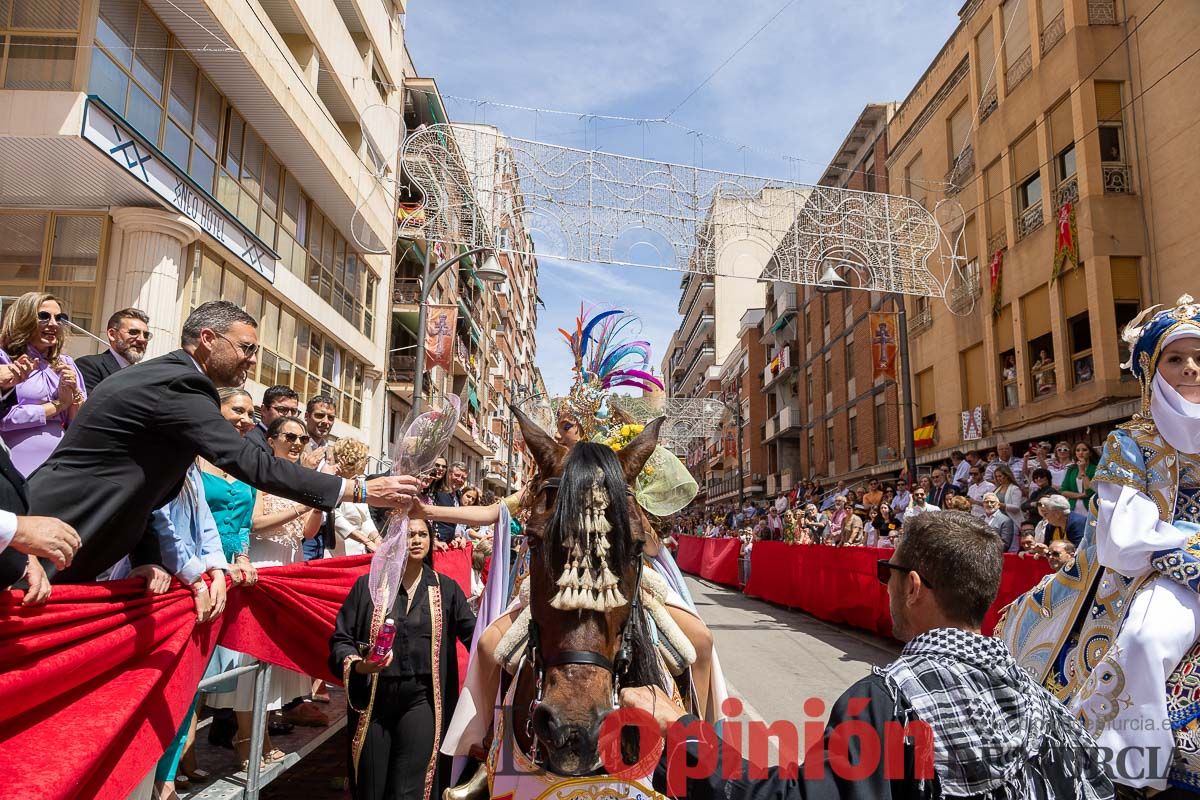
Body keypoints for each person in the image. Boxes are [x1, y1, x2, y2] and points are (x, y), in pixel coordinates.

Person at [620, 511, 1114, 800]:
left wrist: (678, 729)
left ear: (913, 587)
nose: (887, 585)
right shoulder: (1044, 704)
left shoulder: (891, 702)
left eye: (888, 572)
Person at [23, 301, 418, 592]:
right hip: (50, 532)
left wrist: (145, 557)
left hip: (80, 540)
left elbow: (142, 486)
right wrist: (359, 490)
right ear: (209, 340)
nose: (251, 360)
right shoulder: (181, 383)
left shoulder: (171, 380)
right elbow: (247, 460)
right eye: (246, 348)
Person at [329, 516, 475, 800]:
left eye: (422, 534)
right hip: (374, 702)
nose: (416, 540)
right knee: (371, 788)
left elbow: (477, 636)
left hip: (421, 701)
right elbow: (340, 641)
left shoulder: (445, 590)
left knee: (407, 791)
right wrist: (361, 665)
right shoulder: (367, 588)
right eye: (409, 535)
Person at [0, 292, 87, 477]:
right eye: (44, 316)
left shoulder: (67, 363)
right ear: (23, 318)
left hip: (58, 465)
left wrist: (74, 396)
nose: (54, 324)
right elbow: (4, 420)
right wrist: (57, 405)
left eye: (59, 317)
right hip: (15, 463)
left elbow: (78, 425)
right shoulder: (5, 360)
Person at [329, 438, 382, 557]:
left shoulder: (359, 484)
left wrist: (376, 538)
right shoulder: (334, 482)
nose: (367, 463)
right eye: (365, 459)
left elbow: (365, 518)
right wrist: (366, 541)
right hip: (338, 552)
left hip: (359, 551)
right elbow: (335, 518)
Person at [75, 307, 151, 390]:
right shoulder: (89, 366)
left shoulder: (146, 375)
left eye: (146, 335)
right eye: (133, 332)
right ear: (112, 335)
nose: (142, 340)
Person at [246, 384, 300, 453]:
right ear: (264, 410)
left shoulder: (296, 443)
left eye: (293, 411)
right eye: (282, 409)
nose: (289, 416)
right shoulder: (251, 442)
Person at [1059, 441, 1097, 516]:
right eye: (1078, 450)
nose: (1081, 452)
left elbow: (1090, 491)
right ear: (1075, 454)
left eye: (1084, 450)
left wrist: (1083, 472)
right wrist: (1082, 495)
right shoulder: (1071, 469)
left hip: (1091, 508)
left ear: (1090, 453)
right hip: (1073, 509)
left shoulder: (1095, 469)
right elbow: (1063, 491)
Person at [991, 463, 1024, 533]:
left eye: (1000, 476)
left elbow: (1016, 508)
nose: (998, 478)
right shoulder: (997, 489)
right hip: (999, 524)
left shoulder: (1015, 489)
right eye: (996, 476)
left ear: (1007, 476)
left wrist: (999, 505)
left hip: (1012, 523)